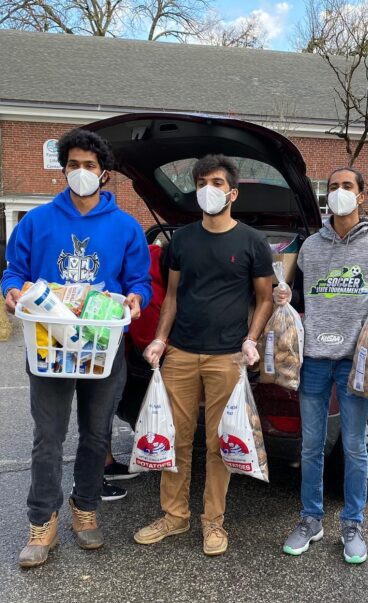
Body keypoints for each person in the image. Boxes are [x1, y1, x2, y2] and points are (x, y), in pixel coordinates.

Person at [1, 128, 152, 568]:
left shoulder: (125, 226)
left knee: (96, 433)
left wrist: (136, 298)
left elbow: (138, 279)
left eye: (89, 165)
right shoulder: (37, 221)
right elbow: (13, 273)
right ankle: (41, 519)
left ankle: (85, 508)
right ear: (63, 170)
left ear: (103, 173)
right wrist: (12, 293)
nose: (80, 172)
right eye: (73, 165)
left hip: (101, 347)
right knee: (47, 436)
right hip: (49, 347)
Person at [136, 154, 273, 556]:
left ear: (232, 192)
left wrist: (251, 339)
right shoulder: (181, 240)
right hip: (180, 353)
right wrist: (160, 340)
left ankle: (213, 522)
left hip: (227, 357)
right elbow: (173, 296)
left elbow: (264, 298)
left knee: (220, 443)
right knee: (173, 438)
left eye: (215, 182)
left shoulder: (252, 241)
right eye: (201, 182)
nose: (207, 189)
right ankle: (174, 516)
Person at [277, 167, 368, 564]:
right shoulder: (310, 246)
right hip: (314, 359)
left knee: (354, 447)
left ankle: (352, 524)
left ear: (362, 196)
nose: (339, 193)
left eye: (347, 187)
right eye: (332, 187)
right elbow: (295, 296)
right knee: (312, 446)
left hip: (357, 360)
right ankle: (311, 520)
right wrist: (284, 298)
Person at [103, 241, 171, 495]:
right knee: (103, 407)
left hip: (116, 345)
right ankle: (94, 476)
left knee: (104, 407)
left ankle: (106, 463)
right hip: (115, 349)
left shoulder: (153, 256)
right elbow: (147, 341)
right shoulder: (152, 289)